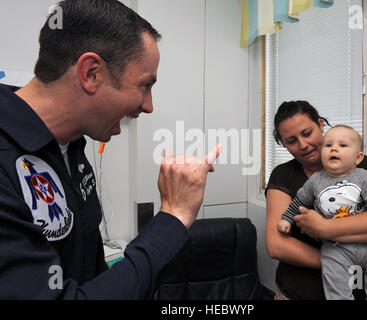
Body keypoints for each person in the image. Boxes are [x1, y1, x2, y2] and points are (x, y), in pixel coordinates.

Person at [0, 0, 220, 299]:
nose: (148, 106)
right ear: (91, 73)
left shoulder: (70, 147)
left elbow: (90, 275)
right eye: (145, 85)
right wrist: (173, 216)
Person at [265, 100, 367, 300]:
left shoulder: (360, 166)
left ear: (320, 124)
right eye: (291, 141)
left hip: (359, 291)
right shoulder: (283, 175)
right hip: (297, 293)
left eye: (307, 133)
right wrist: (340, 260)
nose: (303, 145)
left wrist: (326, 229)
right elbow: (277, 245)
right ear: (284, 144)